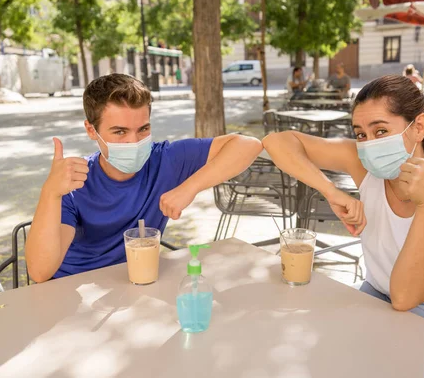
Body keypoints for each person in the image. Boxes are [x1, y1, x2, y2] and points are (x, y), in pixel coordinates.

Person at [263, 75, 424, 376]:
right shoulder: (364, 166)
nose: (369, 144)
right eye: (361, 134)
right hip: (380, 294)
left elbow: (406, 298)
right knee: (314, 345)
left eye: (381, 130)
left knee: (367, 364)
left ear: (418, 128)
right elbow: (276, 142)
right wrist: (331, 191)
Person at [26, 73, 262, 282]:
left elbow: (248, 145)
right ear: (91, 130)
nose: (134, 142)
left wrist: (189, 188)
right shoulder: (75, 182)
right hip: (73, 288)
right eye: (120, 132)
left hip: (136, 283)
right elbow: (40, 272)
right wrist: (50, 192)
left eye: (143, 129)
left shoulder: (165, 160)